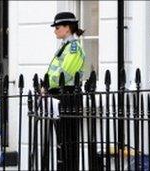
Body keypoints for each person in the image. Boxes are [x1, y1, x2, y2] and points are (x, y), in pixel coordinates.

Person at [46, 12, 86, 171]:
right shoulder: (66, 47)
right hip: (60, 95)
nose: (54, 30)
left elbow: (65, 73)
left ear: (67, 28)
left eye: (57, 27)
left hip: (68, 95)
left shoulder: (74, 48)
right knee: (62, 140)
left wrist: (47, 84)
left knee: (68, 140)